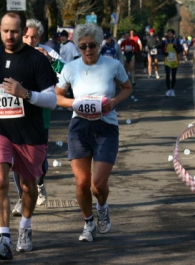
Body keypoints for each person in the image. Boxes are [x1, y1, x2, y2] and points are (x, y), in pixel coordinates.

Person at [0, 11, 57, 260]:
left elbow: (52, 100)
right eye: (5, 31)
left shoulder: (37, 60)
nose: (10, 36)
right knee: (0, 179)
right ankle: (4, 239)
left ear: (22, 31)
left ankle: (25, 228)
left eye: (15, 31)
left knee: (27, 186)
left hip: (30, 133)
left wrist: (26, 94)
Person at [55, 22, 132, 242]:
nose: (88, 50)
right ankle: (88, 223)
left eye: (92, 45)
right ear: (77, 47)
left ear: (99, 45)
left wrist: (115, 101)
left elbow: (127, 88)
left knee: (97, 184)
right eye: (83, 46)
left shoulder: (113, 65)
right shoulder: (71, 68)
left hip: (106, 127)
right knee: (81, 182)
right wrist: (74, 103)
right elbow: (57, 95)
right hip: (79, 127)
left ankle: (102, 206)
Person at [10, 18, 64, 216]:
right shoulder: (12, 52)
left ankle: (39, 183)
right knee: (16, 156)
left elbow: (67, 73)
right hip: (16, 111)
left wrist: (52, 62)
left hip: (41, 112)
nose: (29, 40)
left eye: (33, 37)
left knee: (38, 160)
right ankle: (21, 198)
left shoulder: (48, 53)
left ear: (39, 38)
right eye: (26, 36)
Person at [160, 28, 183, 97]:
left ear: (173, 34)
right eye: (168, 33)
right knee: (167, 74)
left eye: (171, 33)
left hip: (175, 61)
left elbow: (180, 50)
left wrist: (176, 48)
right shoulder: (164, 42)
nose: (169, 34)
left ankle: (172, 89)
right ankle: (168, 90)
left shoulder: (176, 41)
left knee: (173, 76)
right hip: (167, 61)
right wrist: (164, 53)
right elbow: (161, 49)